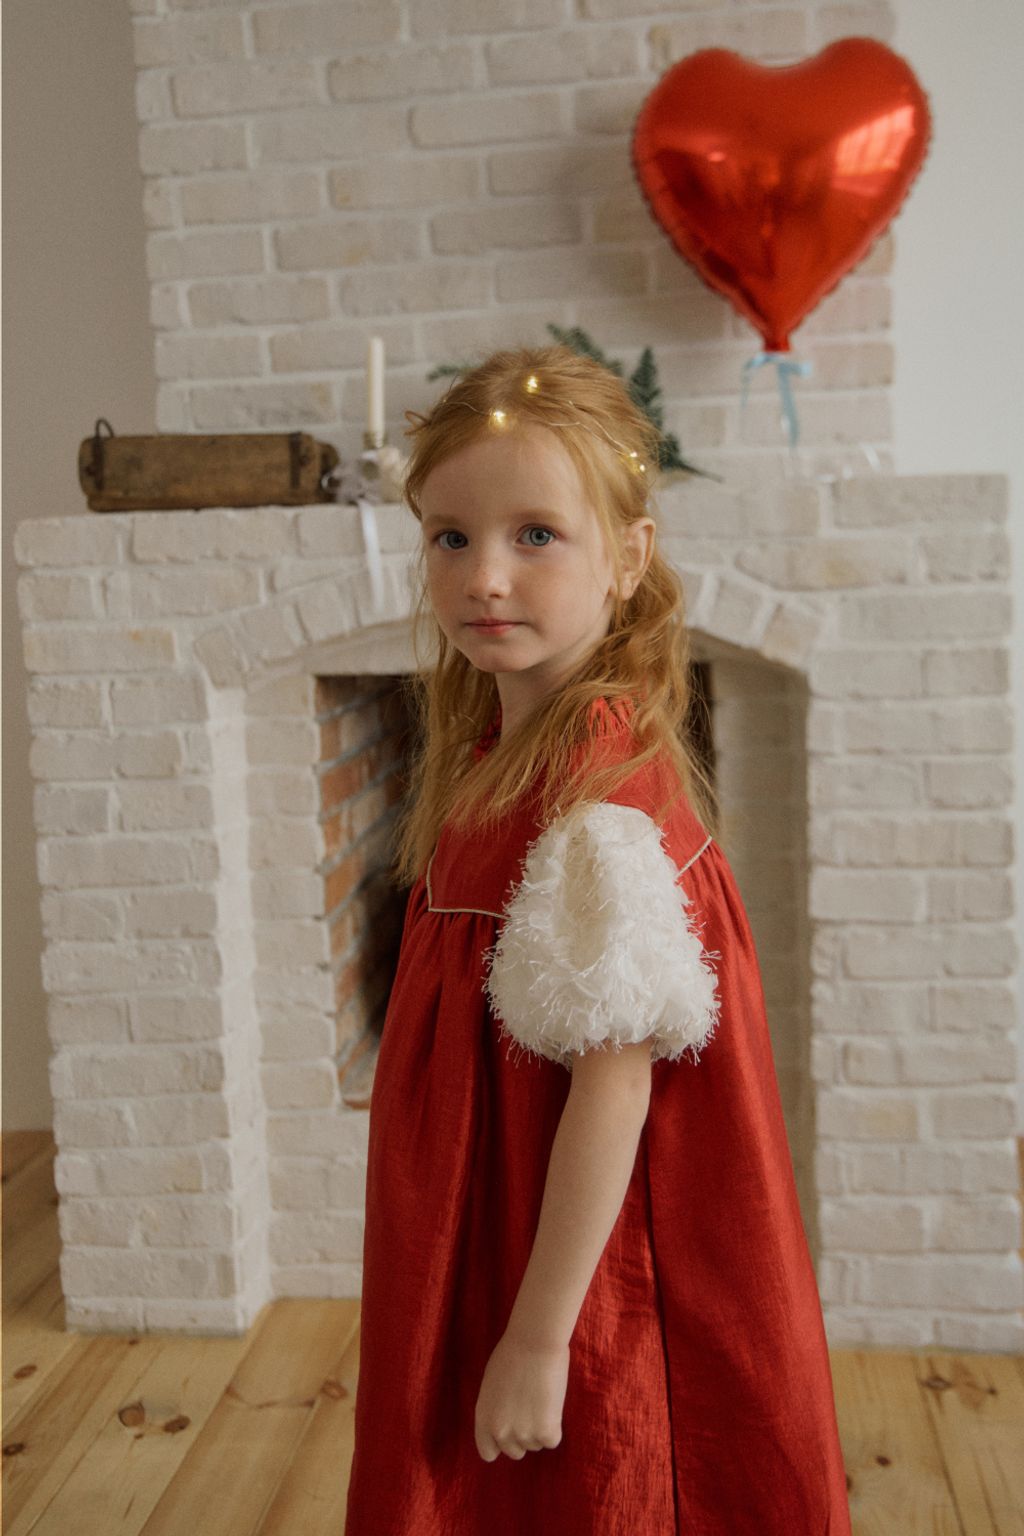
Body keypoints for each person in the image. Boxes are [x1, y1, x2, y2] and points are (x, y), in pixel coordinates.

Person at [343, 344, 852, 1535]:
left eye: (537, 535)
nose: (484, 576)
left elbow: (614, 1090)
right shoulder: (502, 752)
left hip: (571, 1257)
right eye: (451, 537)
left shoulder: (593, 805)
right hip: (488, 1209)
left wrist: (536, 1339)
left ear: (627, 557)